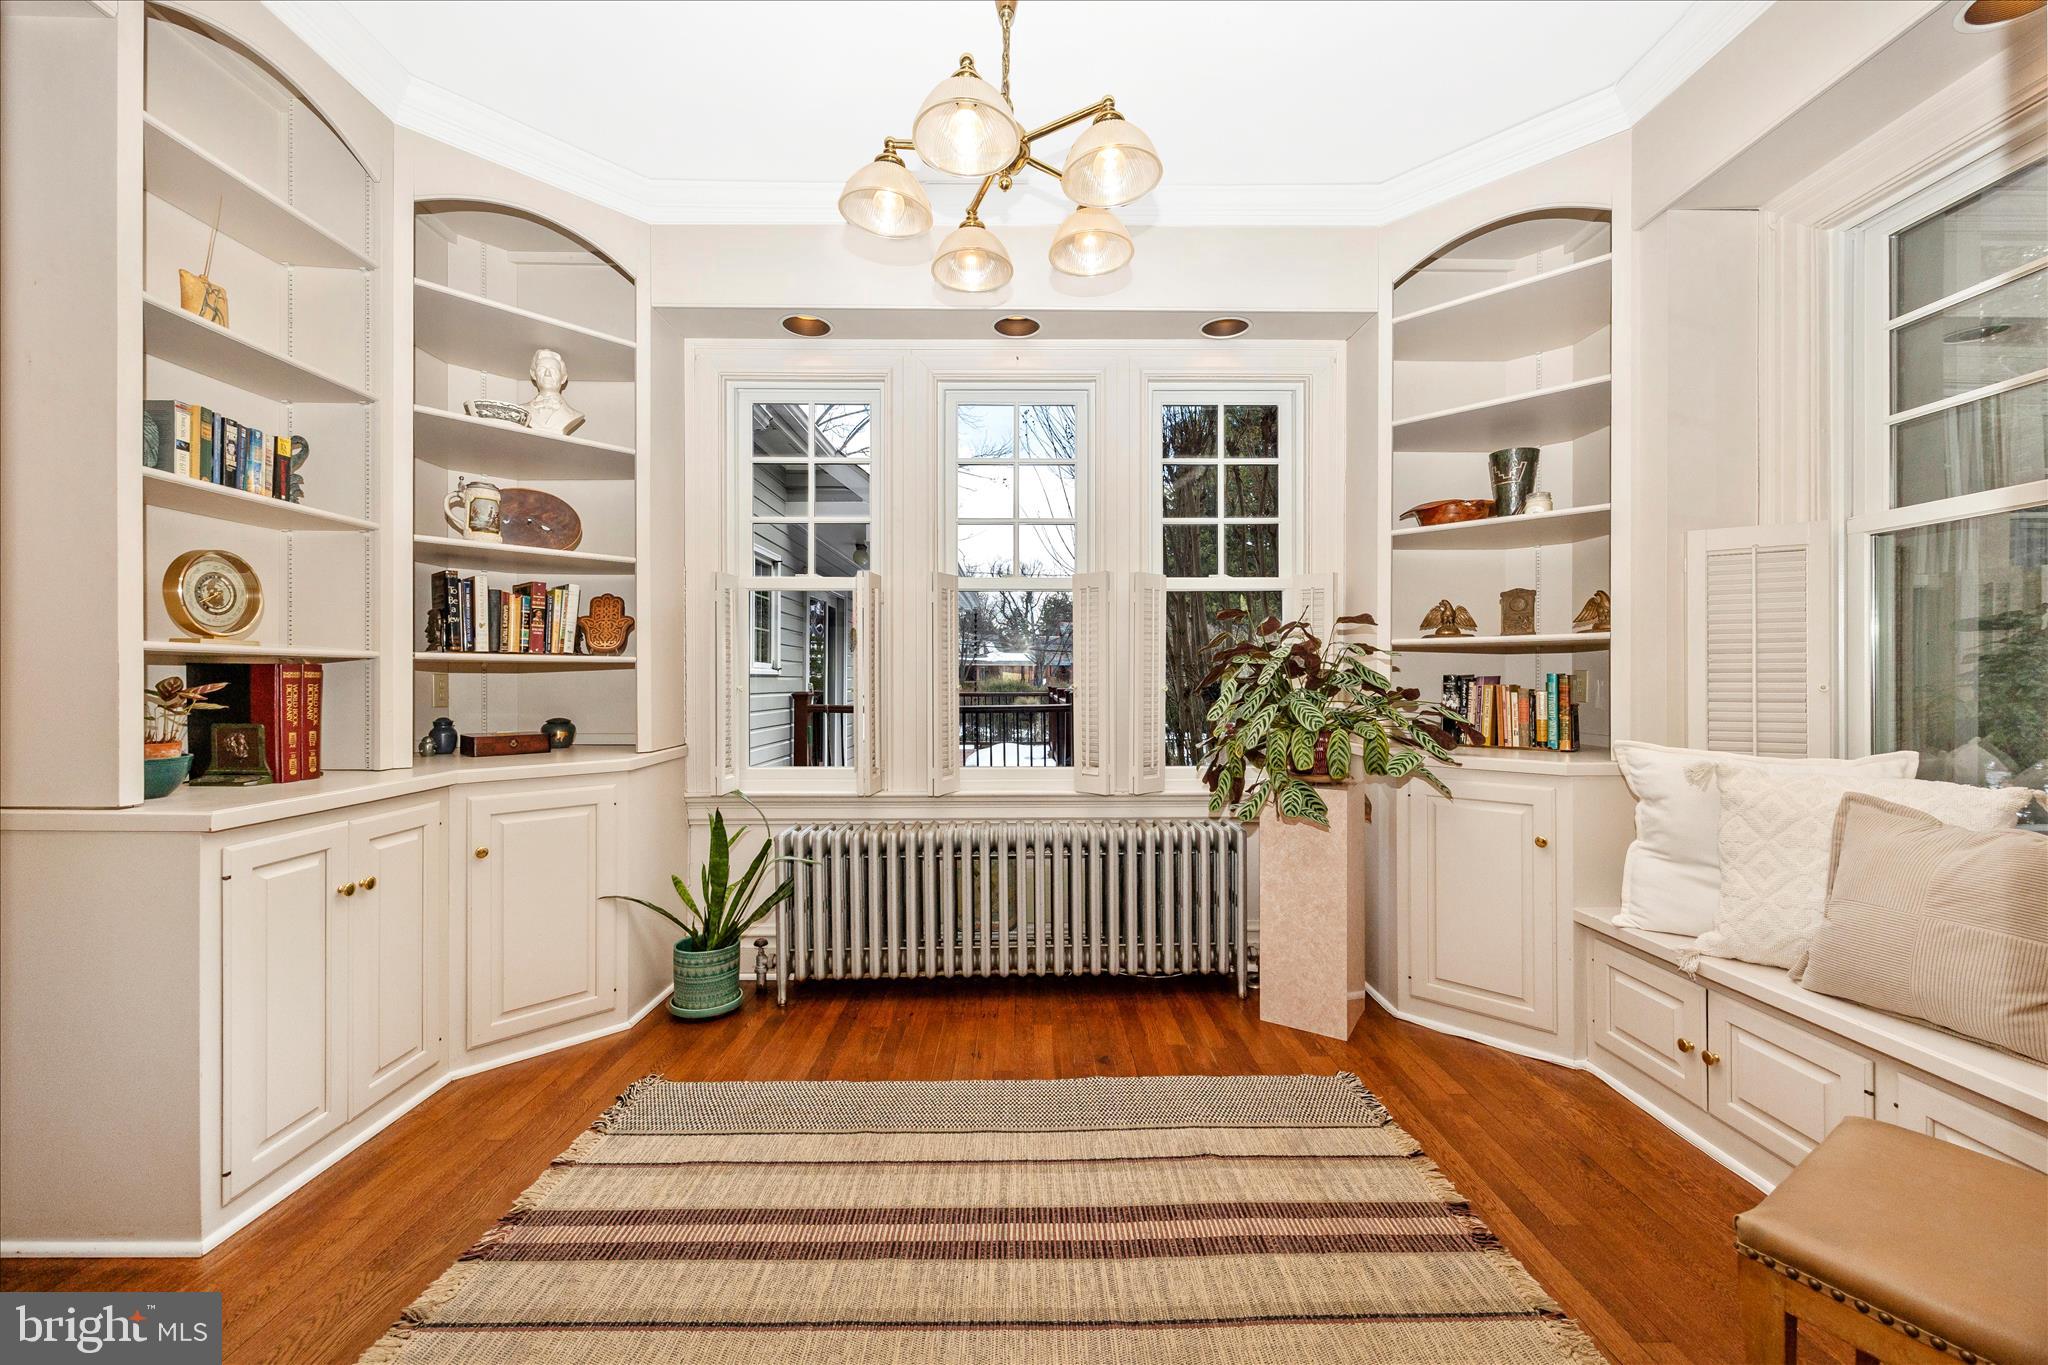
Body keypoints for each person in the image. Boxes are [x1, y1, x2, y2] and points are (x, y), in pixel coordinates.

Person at [521, 347, 585, 435]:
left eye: (553, 370)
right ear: (533, 375)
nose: (547, 374)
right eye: (542, 369)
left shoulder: (574, 414)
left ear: (563, 378)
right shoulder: (521, 410)